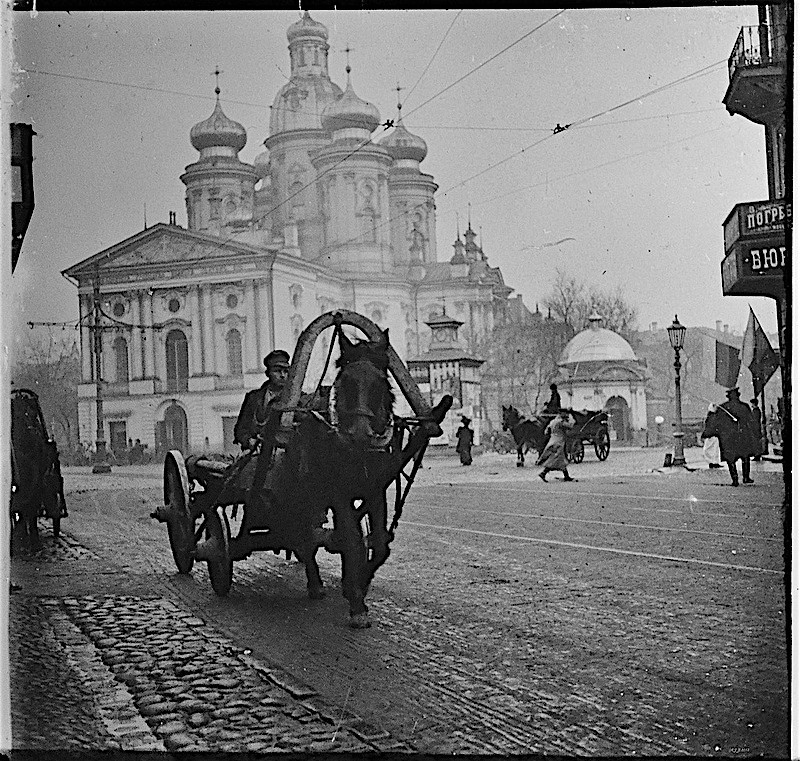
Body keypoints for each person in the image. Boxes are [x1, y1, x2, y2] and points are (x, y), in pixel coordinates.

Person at [234, 349, 291, 452]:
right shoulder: (254, 398)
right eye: (277, 371)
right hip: (257, 452)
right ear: (267, 373)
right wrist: (249, 441)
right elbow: (240, 429)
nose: (282, 375)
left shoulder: (296, 398)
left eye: (286, 371)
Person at [716, 387, 756, 486]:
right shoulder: (744, 406)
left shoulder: (723, 408)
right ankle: (746, 477)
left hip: (729, 438)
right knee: (745, 457)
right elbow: (751, 421)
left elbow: (718, 423)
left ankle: (735, 479)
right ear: (738, 395)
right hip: (743, 435)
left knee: (730, 459)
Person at [537, 409, 575, 482]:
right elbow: (570, 426)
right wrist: (571, 418)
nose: (566, 414)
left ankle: (566, 476)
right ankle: (543, 473)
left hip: (553, 440)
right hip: (559, 441)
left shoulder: (553, 421)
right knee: (556, 458)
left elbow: (546, 431)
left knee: (559, 458)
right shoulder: (561, 422)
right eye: (565, 413)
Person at [701, 404, 722, 469]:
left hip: (714, 435)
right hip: (712, 435)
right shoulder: (712, 416)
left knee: (715, 449)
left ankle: (714, 462)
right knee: (710, 449)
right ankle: (712, 462)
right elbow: (711, 426)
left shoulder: (711, 416)